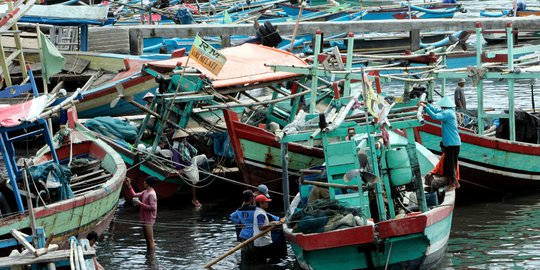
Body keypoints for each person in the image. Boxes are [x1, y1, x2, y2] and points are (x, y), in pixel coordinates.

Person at [420, 96, 461, 190]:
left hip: (453, 142)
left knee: (451, 164)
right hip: (451, 142)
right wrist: (427, 105)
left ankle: (454, 181)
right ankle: (451, 180)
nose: (441, 108)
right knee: (448, 162)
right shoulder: (448, 111)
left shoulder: (448, 113)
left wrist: (425, 108)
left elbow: (435, 116)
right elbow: (436, 110)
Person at [170, 129, 208, 208]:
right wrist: (179, 169)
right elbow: (176, 159)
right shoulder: (175, 146)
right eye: (183, 137)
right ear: (179, 138)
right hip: (186, 167)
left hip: (190, 161)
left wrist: (193, 154)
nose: (184, 138)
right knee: (195, 180)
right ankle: (194, 199)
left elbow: (192, 149)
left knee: (204, 157)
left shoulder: (184, 142)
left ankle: (206, 174)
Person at [125, 176, 158, 250]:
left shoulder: (151, 194)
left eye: (145, 181)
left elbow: (153, 208)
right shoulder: (145, 192)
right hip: (144, 217)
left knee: (150, 240)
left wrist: (140, 204)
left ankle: (152, 258)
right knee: (147, 239)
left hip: (149, 219)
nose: (144, 182)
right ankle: (149, 255)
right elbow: (134, 194)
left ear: (148, 183)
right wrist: (129, 185)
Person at [253, 195, 283, 263]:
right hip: (263, 242)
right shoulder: (260, 213)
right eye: (266, 202)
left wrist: (272, 222)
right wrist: (272, 224)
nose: (267, 203)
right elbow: (261, 227)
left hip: (260, 241)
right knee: (274, 260)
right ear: (261, 203)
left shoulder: (259, 211)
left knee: (262, 261)